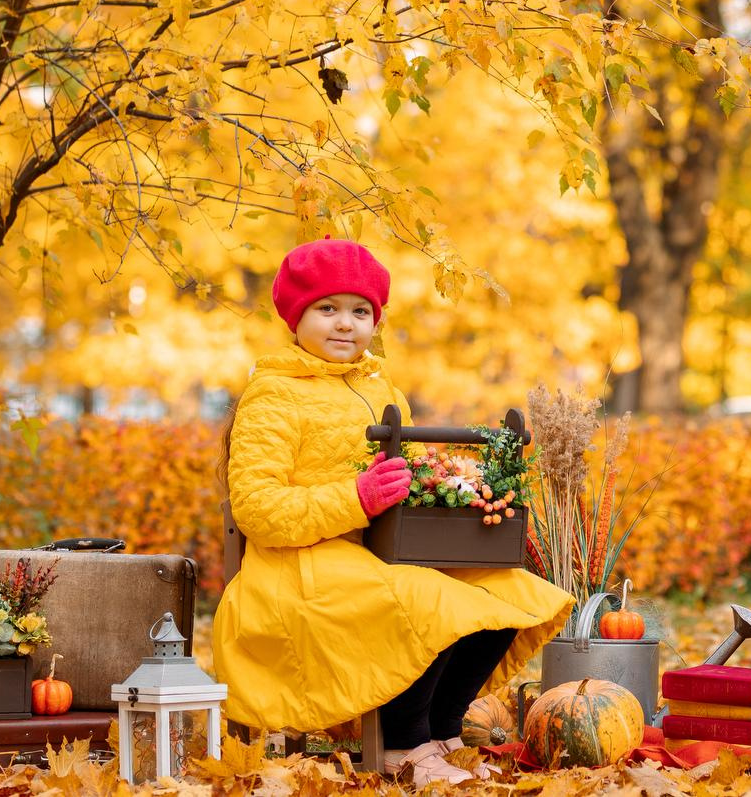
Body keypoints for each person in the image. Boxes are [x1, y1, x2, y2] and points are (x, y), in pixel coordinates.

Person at [213, 239, 571, 784]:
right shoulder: (274, 395)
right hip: (295, 567)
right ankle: (402, 744)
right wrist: (356, 497)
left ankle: (441, 728)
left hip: (376, 552)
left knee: (511, 589)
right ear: (296, 315)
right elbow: (259, 510)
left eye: (360, 312)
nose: (345, 325)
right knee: (428, 598)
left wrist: (458, 493)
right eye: (326, 309)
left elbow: (407, 485)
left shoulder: (383, 389)